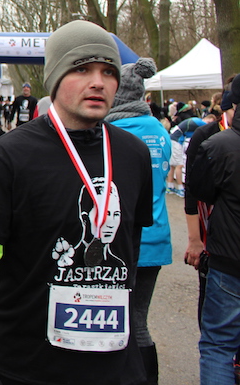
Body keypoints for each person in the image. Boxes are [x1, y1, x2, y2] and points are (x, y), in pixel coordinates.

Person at [0, 20, 153, 385]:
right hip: (26, 367)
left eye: (108, 71)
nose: (98, 82)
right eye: (82, 69)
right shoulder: (11, 155)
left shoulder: (133, 154)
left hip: (114, 368)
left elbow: (130, 251)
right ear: (55, 78)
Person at [105, 57, 172, 385]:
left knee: (118, 320)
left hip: (124, 240)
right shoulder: (159, 130)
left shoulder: (114, 131)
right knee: (139, 320)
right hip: (157, 236)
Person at [188, 74, 240, 385]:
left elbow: (201, 191)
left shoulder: (219, 146)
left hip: (229, 260)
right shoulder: (213, 141)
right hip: (228, 259)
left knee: (218, 346)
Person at [168, 114, 212, 197]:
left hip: (174, 139)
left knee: (173, 165)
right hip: (176, 141)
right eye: (209, 122)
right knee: (179, 165)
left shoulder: (193, 123)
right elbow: (208, 129)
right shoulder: (199, 121)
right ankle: (180, 188)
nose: (208, 124)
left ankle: (170, 186)